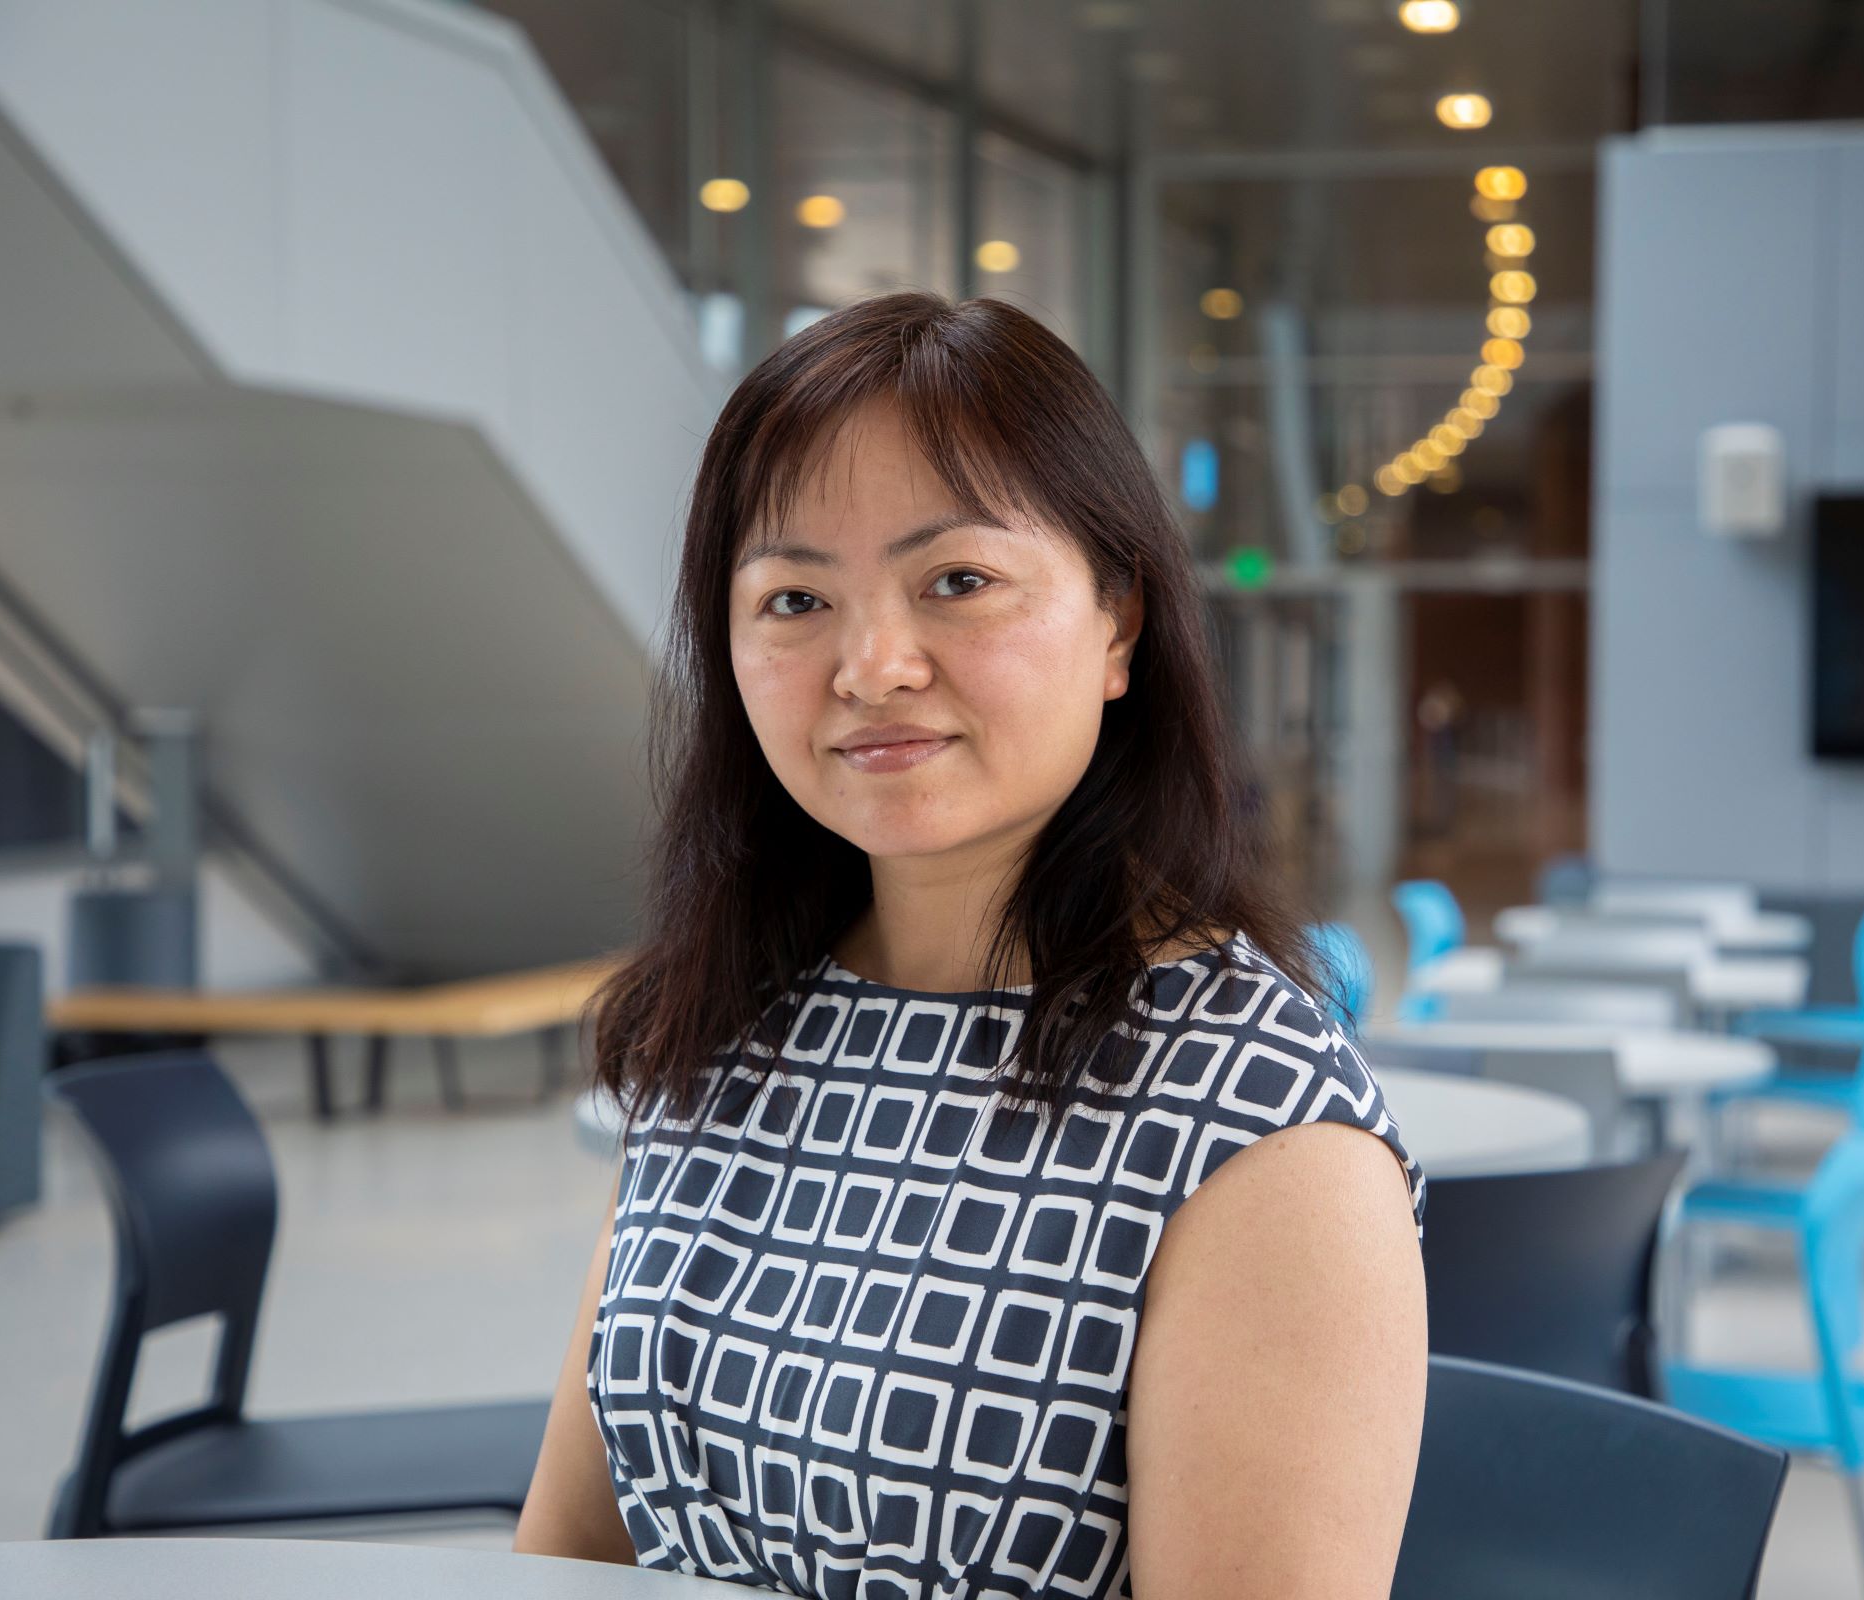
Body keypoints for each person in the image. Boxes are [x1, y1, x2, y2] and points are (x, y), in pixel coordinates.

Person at [515, 291, 1426, 1598]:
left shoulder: (1261, 1134)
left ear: (1118, 623)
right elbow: (573, 1557)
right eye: (792, 599)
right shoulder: (731, 1021)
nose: (873, 664)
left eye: (959, 582)